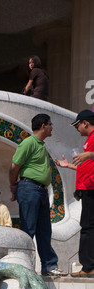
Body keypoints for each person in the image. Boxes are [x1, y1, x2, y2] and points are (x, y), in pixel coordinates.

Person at [9, 113, 66, 276]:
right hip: (29, 188)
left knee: (44, 229)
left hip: (40, 190)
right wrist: (13, 186)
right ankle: (24, 265)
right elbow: (14, 167)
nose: (52, 127)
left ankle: (49, 265)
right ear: (43, 126)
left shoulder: (41, 144)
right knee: (29, 228)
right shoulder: (28, 143)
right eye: (50, 124)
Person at [54, 109, 94, 278]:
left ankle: (88, 266)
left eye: (77, 125)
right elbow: (85, 167)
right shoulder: (88, 140)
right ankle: (88, 265)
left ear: (85, 123)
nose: (77, 129)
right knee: (87, 227)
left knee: (88, 228)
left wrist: (90, 154)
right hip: (86, 188)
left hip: (91, 189)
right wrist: (67, 166)